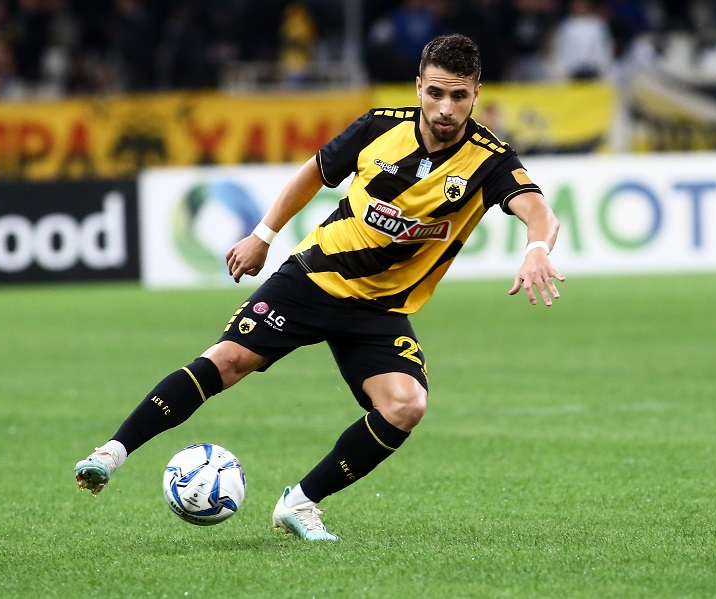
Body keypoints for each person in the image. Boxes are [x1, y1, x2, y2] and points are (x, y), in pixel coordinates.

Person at [74, 33, 564, 541]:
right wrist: (263, 236)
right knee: (228, 360)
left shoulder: (490, 160)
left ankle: (300, 503)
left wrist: (537, 248)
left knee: (406, 405)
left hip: (379, 309)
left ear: (476, 94)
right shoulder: (379, 127)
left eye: (458, 96)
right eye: (436, 92)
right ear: (419, 86)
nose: (445, 107)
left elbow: (539, 212)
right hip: (314, 278)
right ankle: (110, 454)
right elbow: (313, 173)